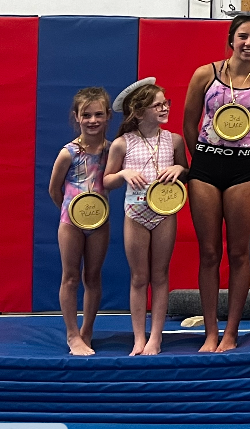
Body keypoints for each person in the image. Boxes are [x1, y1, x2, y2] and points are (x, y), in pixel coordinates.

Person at [183, 14, 250, 352]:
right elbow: (189, 122)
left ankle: (230, 332)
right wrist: (197, 159)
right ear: (231, 38)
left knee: (239, 253)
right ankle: (210, 331)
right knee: (209, 252)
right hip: (206, 166)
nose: (249, 43)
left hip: (243, 170)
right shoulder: (205, 74)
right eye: (243, 36)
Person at [103, 79, 187, 355]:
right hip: (135, 213)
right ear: (139, 112)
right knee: (139, 277)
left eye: (166, 103)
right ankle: (139, 336)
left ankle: (156, 337)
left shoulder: (173, 140)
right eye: (157, 105)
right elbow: (107, 181)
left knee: (160, 275)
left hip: (164, 214)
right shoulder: (122, 144)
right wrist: (124, 174)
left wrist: (177, 168)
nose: (164, 108)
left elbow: (185, 170)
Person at [47, 87, 112, 356]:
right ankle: (72, 335)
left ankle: (87, 331)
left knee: (93, 276)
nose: (93, 120)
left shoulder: (112, 150)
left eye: (98, 114)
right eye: (86, 115)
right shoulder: (69, 153)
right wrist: (71, 212)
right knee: (71, 277)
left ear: (108, 115)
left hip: (100, 222)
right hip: (70, 221)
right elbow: (54, 189)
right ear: (76, 117)